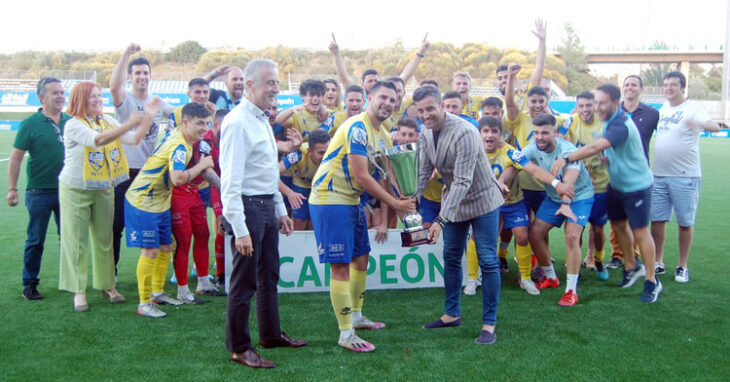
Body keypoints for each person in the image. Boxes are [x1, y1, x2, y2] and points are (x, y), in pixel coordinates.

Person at [309, 81, 416, 353]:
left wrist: (404, 202)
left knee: (361, 259)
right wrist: (394, 203)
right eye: (383, 97)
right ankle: (346, 333)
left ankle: (356, 315)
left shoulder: (384, 134)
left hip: (351, 200)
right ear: (370, 98)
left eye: (393, 100)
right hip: (330, 198)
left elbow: (387, 174)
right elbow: (362, 175)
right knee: (341, 265)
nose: (388, 103)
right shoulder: (357, 127)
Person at [221, 59, 307, 369]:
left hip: (265, 209)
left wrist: (279, 209)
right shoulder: (237, 122)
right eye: (269, 82)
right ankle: (239, 348)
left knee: (269, 274)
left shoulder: (260, 120)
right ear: (251, 85)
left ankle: (270, 335)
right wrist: (240, 228)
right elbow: (230, 181)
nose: (276, 88)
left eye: (276, 82)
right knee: (244, 283)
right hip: (246, 209)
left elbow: (267, 171)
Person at [551, 83, 663, 303]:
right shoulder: (607, 119)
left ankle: (652, 281)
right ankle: (632, 267)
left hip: (637, 186)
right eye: (596, 103)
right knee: (619, 225)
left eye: (601, 103)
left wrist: (567, 157)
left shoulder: (619, 124)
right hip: (617, 185)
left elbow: (595, 147)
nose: (598, 108)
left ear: (615, 103)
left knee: (640, 231)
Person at [413, 85, 504, 345]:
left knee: (487, 260)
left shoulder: (465, 131)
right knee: (451, 256)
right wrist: (413, 200)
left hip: (482, 200)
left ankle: (489, 324)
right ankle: (451, 314)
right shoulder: (424, 131)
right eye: (421, 111)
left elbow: (463, 182)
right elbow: (423, 171)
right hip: (455, 202)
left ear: (441, 105)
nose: (426, 115)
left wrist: (440, 220)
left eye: (430, 108)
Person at [58, 81, 158, 311]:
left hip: (103, 187)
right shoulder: (73, 125)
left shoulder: (106, 121)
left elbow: (133, 139)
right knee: (77, 241)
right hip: (76, 188)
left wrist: (147, 120)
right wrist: (131, 122)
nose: (98, 100)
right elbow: (98, 140)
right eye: (92, 96)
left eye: (98, 96)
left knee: (105, 239)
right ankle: (79, 291)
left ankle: (107, 285)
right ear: (80, 99)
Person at [126, 103, 215, 318]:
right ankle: (144, 302)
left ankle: (157, 292)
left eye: (206, 123)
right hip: (144, 200)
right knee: (150, 250)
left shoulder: (184, 138)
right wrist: (201, 166)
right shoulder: (180, 145)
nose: (204, 128)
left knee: (167, 245)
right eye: (199, 123)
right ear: (185, 123)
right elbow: (177, 179)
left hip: (161, 201)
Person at [504, 114, 594, 306]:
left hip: (579, 198)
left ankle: (571, 290)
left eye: (545, 133)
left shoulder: (567, 150)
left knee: (571, 236)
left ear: (554, 132)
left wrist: (566, 204)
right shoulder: (532, 148)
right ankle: (551, 277)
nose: (540, 137)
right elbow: (516, 165)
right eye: (536, 133)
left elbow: (570, 179)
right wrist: (500, 182)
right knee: (535, 234)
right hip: (553, 198)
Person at [109, 43, 174, 275]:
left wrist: (202, 105)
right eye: (137, 73)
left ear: (150, 76)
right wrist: (126, 53)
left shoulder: (157, 102)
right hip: (123, 173)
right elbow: (114, 86)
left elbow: (179, 113)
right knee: (116, 225)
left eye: (145, 72)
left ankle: (152, 276)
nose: (142, 77)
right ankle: (111, 275)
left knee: (151, 225)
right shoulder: (125, 100)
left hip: (148, 174)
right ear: (130, 76)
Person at [651, 71, 720, 282]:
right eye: (666, 85)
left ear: (683, 88)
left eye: (673, 85)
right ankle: (658, 261)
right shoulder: (663, 109)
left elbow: (714, 126)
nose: (669, 88)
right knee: (657, 220)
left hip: (685, 176)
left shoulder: (693, 109)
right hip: (659, 175)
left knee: (684, 222)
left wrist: (699, 124)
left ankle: (682, 265)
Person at [7, 78, 69, 300]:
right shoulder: (30, 124)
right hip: (39, 193)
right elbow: (15, 159)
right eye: (55, 93)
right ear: (42, 97)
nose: (61, 96)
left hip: (69, 192)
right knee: (35, 240)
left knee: (69, 239)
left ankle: (71, 282)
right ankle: (29, 284)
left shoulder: (71, 121)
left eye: (62, 92)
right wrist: (12, 188)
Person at [477, 116, 539, 295]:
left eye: (494, 131)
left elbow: (525, 167)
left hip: (513, 202)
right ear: (479, 134)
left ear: (501, 135)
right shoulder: (474, 150)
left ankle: (525, 278)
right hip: (488, 203)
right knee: (482, 238)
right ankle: (475, 277)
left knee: (522, 236)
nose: (489, 135)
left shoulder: (510, 151)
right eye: (485, 131)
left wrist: (556, 183)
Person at [606, 75, 659, 269]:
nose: (630, 88)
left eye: (634, 85)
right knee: (617, 221)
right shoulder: (613, 112)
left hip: (638, 175)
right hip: (615, 172)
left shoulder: (652, 114)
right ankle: (618, 255)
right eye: (626, 85)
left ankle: (636, 258)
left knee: (637, 222)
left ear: (641, 89)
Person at [558, 91, 610, 281]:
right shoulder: (570, 121)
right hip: (578, 183)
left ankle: (596, 257)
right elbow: (557, 135)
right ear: (577, 106)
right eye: (582, 106)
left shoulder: (604, 123)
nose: (585, 109)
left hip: (600, 183)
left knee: (597, 228)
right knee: (574, 225)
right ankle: (574, 259)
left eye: (589, 105)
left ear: (595, 105)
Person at [329, 33, 429, 95]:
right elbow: (344, 78)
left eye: (376, 80)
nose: (373, 83)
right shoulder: (358, 97)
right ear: (362, 84)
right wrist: (336, 54)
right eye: (370, 81)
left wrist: (420, 53)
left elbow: (405, 75)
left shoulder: (387, 95)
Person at [279, 128, 331, 230]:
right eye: (321, 153)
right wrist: (290, 193)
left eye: (328, 152)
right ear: (310, 151)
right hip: (301, 186)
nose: (325, 156)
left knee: (317, 223)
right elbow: (272, 174)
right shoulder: (299, 154)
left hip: (321, 188)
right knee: (299, 224)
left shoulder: (335, 151)